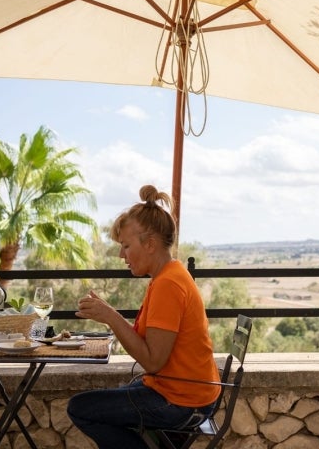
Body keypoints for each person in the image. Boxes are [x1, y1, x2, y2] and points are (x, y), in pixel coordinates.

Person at [67, 185, 220, 448]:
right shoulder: (168, 276)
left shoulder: (168, 285)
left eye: (126, 245)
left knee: (80, 408)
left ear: (150, 244)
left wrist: (111, 317)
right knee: (101, 403)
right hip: (184, 392)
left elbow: (153, 362)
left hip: (181, 402)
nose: (121, 255)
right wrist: (109, 316)